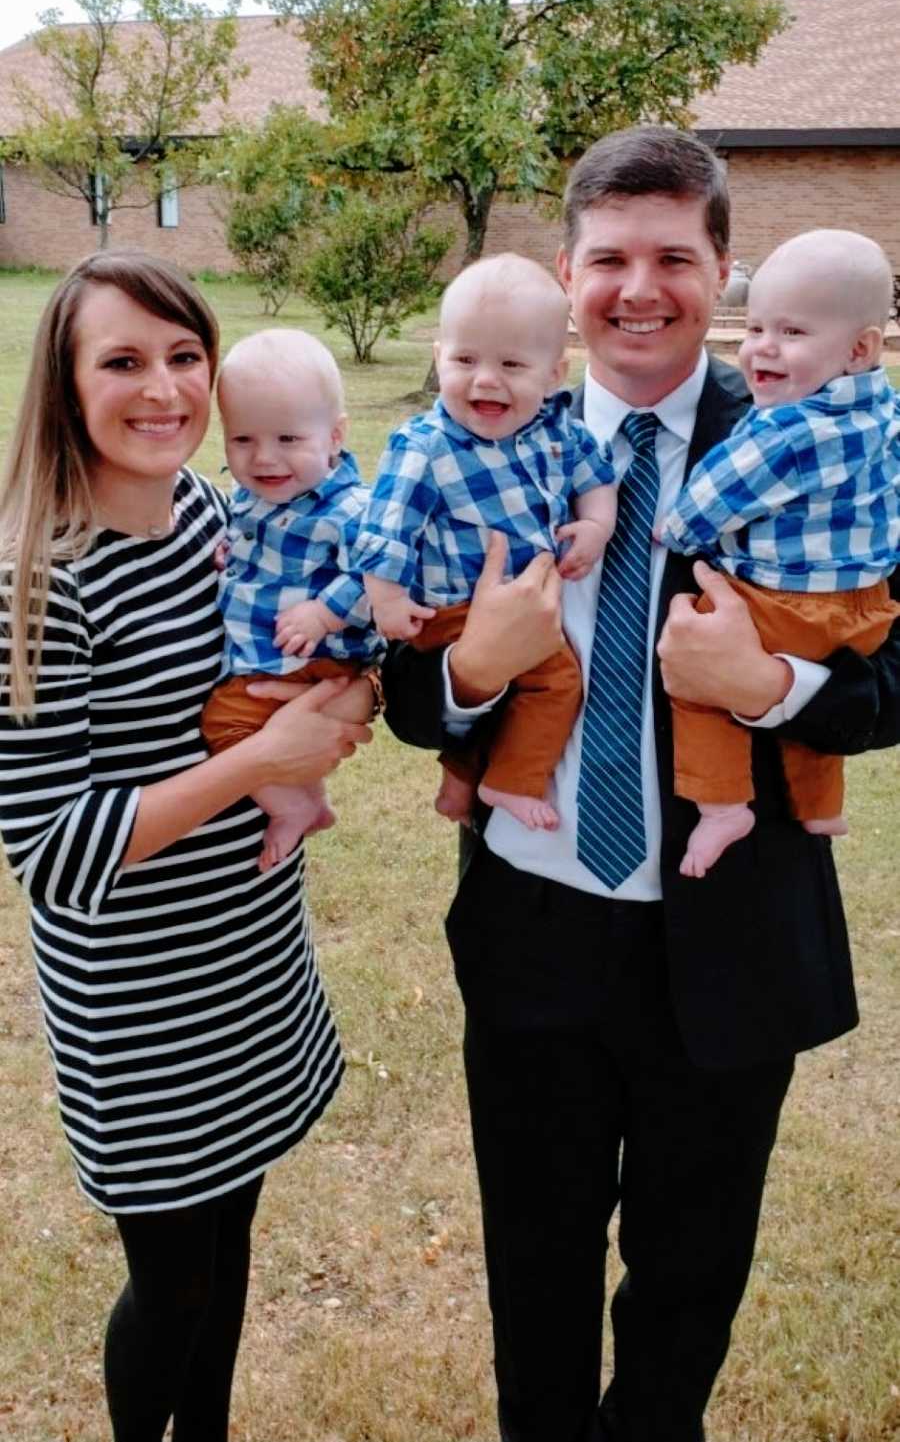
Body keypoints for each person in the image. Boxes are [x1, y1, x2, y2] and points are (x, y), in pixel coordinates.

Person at [381, 127, 900, 1442]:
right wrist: (474, 678)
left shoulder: (818, 436)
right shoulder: (480, 430)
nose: (640, 287)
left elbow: (894, 672)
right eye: (610, 258)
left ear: (721, 275)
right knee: (536, 1283)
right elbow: (405, 680)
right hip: (536, 938)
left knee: (687, 1288)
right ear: (568, 275)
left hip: (729, 944)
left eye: (675, 255)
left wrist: (770, 691)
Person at [0, 252, 373, 1442]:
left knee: (234, 1240)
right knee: (175, 1281)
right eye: (122, 361)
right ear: (64, 384)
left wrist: (341, 701)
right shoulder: (37, 585)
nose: (162, 390)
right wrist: (260, 766)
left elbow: (307, 648)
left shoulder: (222, 514)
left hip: (251, 963)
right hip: (143, 1009)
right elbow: (54, 852)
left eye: (183, 358)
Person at [660, 228, 899, 876]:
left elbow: (711, 497)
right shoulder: (884, 413)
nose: (763, 346)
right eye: (758, 327)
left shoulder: (779, 428)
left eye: (791, 333)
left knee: (698, 683)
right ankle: (821, 803)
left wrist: (775, 686)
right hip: (865, 604)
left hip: (781, 604)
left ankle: (722, 804)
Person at [356, 252, 617, 831]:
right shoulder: (426, 446)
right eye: (465, 358)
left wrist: (596, 526)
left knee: (519, 689)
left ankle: (461, 781)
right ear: (437, 358)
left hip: (521, 602)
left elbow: (596, 479)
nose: (485, 379)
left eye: (512, 364)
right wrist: (386, 601)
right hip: (454, 610)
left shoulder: (557, 431)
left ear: (554, 373)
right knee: (555, 681)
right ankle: (509, 783)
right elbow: (386, 527)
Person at [201, 328, 382, 871]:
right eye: (243, 440)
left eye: (287, 440)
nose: (263, 459)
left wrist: (325, 611)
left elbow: (381, 570)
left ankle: (293, 809)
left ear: (335, 436)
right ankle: (311, 800)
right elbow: (250, 538)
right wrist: (227, 551)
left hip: (312, 656)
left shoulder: (350, 509)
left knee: (224, 726)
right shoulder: (252, 497)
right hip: (279, 655)